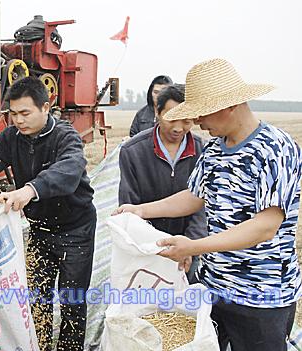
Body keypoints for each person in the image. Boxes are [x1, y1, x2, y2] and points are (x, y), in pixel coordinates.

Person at [115, 58, 301, 351]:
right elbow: (194, 196)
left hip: (260, 297)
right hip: (213, 289)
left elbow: (265, 227)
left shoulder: (275, 148)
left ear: (228, 106)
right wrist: (141, 210)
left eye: (202, 114)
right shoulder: (215, 149)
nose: (198, 123)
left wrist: (193, 247)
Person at [0, 76, 96, 351]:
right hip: (39, 229)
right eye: (13, 114)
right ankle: (40, 346)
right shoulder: (12, 138)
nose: (18, 120)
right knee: (37, 298)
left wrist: (29, 190)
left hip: (74, 230)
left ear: (45, 107)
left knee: (72, 300)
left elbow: (68, 170)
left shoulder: (65, 137)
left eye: (25, 113)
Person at [119, 84, 207, 283]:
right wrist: (154, 246)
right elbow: (130, 206)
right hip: (149, 249)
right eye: (172, 119)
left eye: (186, 120)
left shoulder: (204, 151)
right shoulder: (133, 151)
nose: (178, 128)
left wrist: (190, 246)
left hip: (189, 248)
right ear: (157, 112)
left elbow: (203, 207)